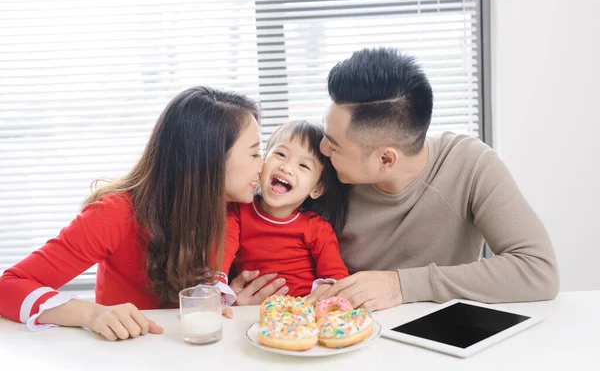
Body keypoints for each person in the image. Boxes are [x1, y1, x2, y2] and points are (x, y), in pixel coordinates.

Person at [0, 86, 287, 341]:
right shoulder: (115, 215)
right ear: (209, 161)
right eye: (254, 153)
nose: (263, 166)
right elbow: (7, 288)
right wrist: (91, 314)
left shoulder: (235, 209)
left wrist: (228, 305)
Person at [308, 47, 560, 310]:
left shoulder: (468, 165)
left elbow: (538, 270)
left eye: (334, 146)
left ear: (386, 159)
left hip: (443, 338)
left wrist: (401, 285)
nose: (323, 149)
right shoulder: (317, 169)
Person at [220, 120, 349, 298]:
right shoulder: (238, 212)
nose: (286, 167)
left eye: (303, 166)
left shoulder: (317, 228)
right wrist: (216, 292)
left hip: (302, 312)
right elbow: (220, 256)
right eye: (280, 154)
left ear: (317, 189)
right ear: (262, 160)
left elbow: (336, 277)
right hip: (252, 312)